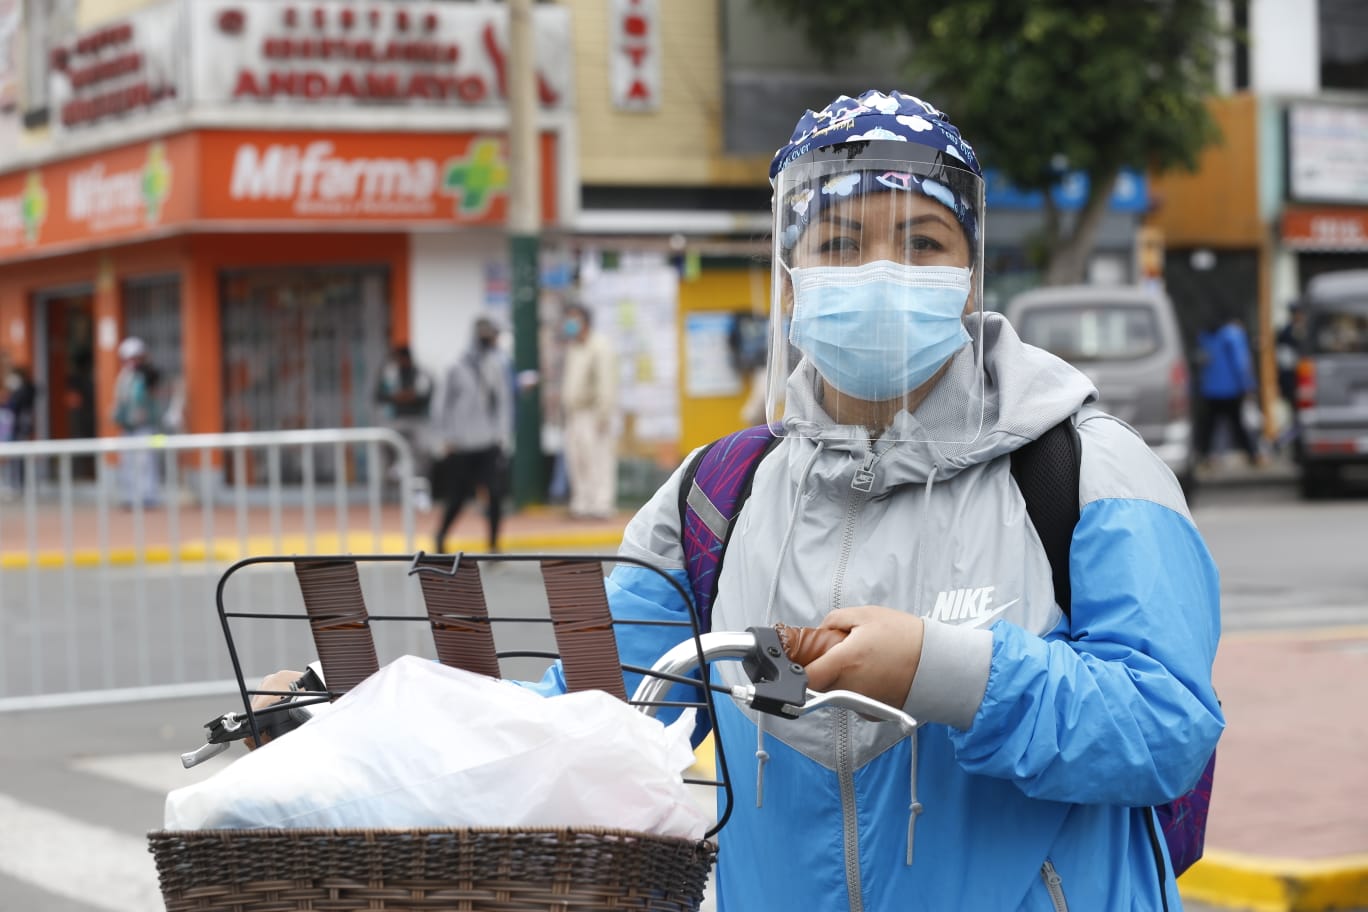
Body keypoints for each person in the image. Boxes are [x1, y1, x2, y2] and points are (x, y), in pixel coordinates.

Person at [253, 91, 1224, 909]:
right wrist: (356, 717)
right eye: (839, 242)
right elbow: (584, 717)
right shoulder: (716, 498)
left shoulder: (1086, 469)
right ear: (791, 281)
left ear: (968, 281)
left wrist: (945, 670)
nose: (878, 270)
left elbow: (1166, 729)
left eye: (922, 242)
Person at [431, 317, 511, 553]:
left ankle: (494, 545)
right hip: (461, 444)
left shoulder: (494, 365)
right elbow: (440, 405)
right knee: (458, 497)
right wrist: (443, 438)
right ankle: (441, 537)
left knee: (494, 494)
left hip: (488, 442)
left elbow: (503, 401)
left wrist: (501, 435)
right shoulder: (455, 365)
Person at [559, 301, 619, 519]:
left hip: (593, 412)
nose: (569, 323)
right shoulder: (574, 347)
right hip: (574, 414)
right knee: (577, 461)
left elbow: (606, 383)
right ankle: (582, 503)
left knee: (598, 460)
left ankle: (601, 505)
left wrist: (603, 414)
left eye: (573, 318)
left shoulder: (600, 346)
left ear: (585, 321)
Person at [1195, 313, 1262, 467]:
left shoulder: (1205, 336)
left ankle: (1205, 455)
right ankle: (1253, 455)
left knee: (1210, 425)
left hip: (1210, 389)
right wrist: (1248, 385)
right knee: (1238, 424)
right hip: (1231, 389)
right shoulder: (1233, 335)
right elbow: (1240, 363)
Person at [374, 344, 435, 508]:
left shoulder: (421, 374)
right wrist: (398, 397)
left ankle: (418, 489)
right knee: (385, 445)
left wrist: (409, 397)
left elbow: (426, 395)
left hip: (417, 420)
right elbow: (379, 396)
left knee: (423, 449)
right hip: (395, 420)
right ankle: (393, 477)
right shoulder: (390, 374)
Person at [111, 336, 162, 508]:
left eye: (135, 358)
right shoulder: (124, 377)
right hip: (127, 427)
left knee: (145, 461)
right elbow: (121, 400)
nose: (131, 362)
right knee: (127, 462)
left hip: (146, 426)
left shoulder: (148, 375)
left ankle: (148, 496)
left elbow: (153, 395)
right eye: (128, 358)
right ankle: (130, 496)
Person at [1274, 302, 1307, 451]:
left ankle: (1290, 442)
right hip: (1293, 381)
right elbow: (1286, 363)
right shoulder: (1287, 333)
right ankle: (1283, 442)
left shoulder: (1301, 330)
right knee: (1298, 417)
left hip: (1302, 380)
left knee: (1301, 417)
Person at [0, 364, 36, 496]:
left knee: (18, 458)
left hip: (19, 429)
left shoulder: (25, 391)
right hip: (12, 429)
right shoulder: (19, 391)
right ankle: (13, 483)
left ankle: (18, 485)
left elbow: (13, 406)